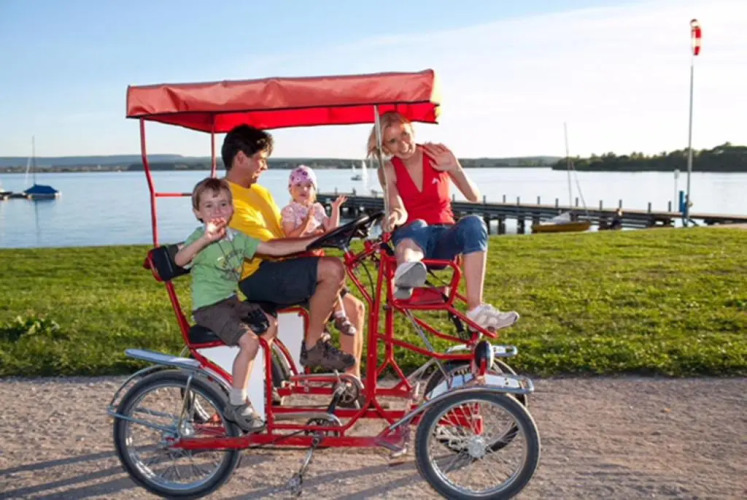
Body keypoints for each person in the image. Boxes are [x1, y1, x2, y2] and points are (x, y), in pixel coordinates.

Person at [222, 125, 365, 377]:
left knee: (354, 308)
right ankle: (313, 346)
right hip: (257, 275)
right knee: (332, 269)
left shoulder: (260, 192)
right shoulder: (228, 200)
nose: (265, 167)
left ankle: (349, 385)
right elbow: (271, 248)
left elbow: (285, 235)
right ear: (241, 157)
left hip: (282, 266)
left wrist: (323, 234)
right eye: (261, 159)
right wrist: (317, 240)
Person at [175, 177, 317, 433]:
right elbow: (179, 259)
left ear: (232, 208)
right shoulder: (199, 237)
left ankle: (256, 382)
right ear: (198, 213)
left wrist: (312, 242)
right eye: (209, 206)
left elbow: (272, 249)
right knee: (250, 341)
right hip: (209, 309)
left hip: (230, 302)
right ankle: (237, 403)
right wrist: (204, 240)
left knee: (270, 323)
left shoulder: (237, 237)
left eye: (223, 204)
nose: (217, 211)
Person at [367, 111, 519, 331]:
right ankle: (407, 270)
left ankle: (476, 310)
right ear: (385, 147)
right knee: (417, 226)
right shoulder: (388, 169)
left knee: (474, 223)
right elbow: (398, 207)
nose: (402, 145)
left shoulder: (437, 155)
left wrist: (455, 168)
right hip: (414, 238)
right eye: (392, 141)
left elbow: (473, 196)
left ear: (413, 130)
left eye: (405, 134)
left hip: (443, 240)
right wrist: (394, 216)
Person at [280, 165, 356, 337]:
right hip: (299, 257)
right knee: (320, 285)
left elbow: (331, 229)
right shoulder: (289, 211)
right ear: (290, 189)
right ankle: (325, 324)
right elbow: (290, 237)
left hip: (316, 255)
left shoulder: (317, 208)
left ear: (314, 190)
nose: (304, 189)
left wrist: (335, 208)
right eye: (298, 185)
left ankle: (340, 317)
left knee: (333, 281)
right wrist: (306, 223)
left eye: (308, 186)